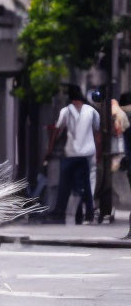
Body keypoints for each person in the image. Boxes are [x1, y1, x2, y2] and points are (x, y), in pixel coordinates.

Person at [44, 84, 101, 224]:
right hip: (87, 153)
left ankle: (61, 213)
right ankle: (88, 213)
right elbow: (97, 130)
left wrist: (49, 150)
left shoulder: (66, 111)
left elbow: (57, 131)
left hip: (71, 153)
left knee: (65, 184)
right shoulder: (92, 111)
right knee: (85, 185)